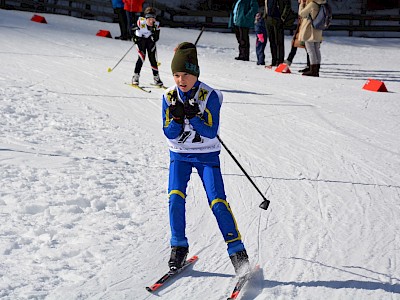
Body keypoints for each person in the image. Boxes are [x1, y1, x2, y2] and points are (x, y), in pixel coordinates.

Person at [161, 42, 250, 276]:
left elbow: (211, 131)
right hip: (179, 156)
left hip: (207, 156)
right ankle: (178, 247)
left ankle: (238, 252)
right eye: (177, 75)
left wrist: (194, 116)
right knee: (175, 198)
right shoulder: (168, 96)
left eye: (186, 74)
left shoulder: (210, 95)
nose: (181, 80)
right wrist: (178, 120)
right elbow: (168, 132)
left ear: (196, 73)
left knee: (217, 201)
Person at [131, 7, 163, 86]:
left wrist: (154, 36)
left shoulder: (156, 25)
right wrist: (135, 38)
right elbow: (132, 30)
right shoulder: (140, 22)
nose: (152, 21)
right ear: (146, 18)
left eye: (153, 19)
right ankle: (136, 76)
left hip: (149, 40)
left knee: (152, 59)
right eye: (149, 19)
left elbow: (157, 37)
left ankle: (156, 78)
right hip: (141, 40)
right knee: (142, 57)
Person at [298, 0, 326, 76]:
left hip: (309, 29)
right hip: (318, 29)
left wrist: (301, 4)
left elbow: (301, 13)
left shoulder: (312, 4)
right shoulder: (321, 3)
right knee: (316, 49)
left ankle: (313, 70)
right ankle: (316, 69)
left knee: (310, 50)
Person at [283, 0, 310, 71]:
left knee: (308, 46)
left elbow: (302, 14)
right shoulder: (303, 3)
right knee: (295, 43)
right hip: (302, 26)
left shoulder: (306, 4)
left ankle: (310, 65)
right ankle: (289, 60)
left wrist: (301, 4)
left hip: (306, 27)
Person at [264, 0, 291, 68]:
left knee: (279, 41)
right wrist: (265, 15)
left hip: (278, 18)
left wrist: (283, 17)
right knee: (272, 41)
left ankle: (279, 61)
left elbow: (288, 5)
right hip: (268, 18)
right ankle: (274, 60)